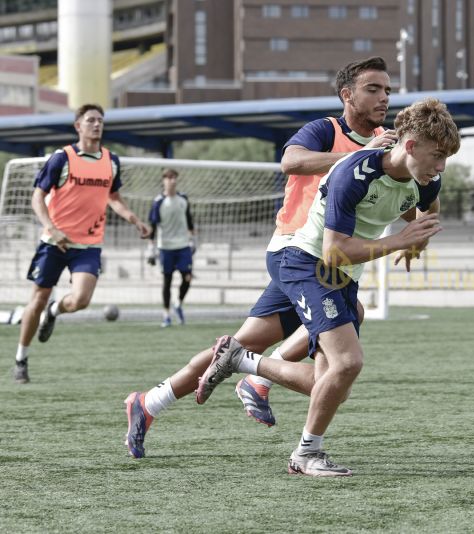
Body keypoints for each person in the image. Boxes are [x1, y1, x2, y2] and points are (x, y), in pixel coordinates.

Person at [124, 56, 398, 458]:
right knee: (343, 347)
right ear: (347, 95)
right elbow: (290, 162)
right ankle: (257, 377)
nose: (384, 97)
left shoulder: (384, 141)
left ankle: (150, 403)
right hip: (296, 250)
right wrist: (359, 156)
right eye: (373, 89)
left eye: (388, 90)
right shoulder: (327, 129)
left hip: (326, 261)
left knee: (250, 346)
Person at [196, 97, 461, 477]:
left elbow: (429, 212)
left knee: (331, 382)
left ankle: (243, 361)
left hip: (343, 276)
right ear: (410, 146)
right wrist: (399, 242)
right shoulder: (354, 172)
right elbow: (334, 251)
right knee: (348, 363)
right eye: (437, 155)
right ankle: (305, 455)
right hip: (308, 263)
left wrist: (417, 243)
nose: (440, 167)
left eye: (446, 158)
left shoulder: (427, 180)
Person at [13, 103, 151, 384]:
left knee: (81, 300)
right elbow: (37, 198)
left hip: (88, 244)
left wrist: (133, 218)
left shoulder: (111, 161)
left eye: (100, 120)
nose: (97, 124)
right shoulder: (61, 158)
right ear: (78, 126)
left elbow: (113, 197)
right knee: (37, 299)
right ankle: (21, 359)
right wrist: (52, 228)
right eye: (90, 120)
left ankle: (55, 311)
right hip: (54, 243)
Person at [146, 168, 196, 327]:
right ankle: (166, 315)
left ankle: (178, 304)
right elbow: (153, 226)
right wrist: (151, 247)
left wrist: (193, 239)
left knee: (187, 278)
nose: (171, 180)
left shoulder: (183, 199)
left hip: (183, 245)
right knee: (167, 281)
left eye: (174, 177)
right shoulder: (158, 201)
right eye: (168, 178)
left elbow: (189, 220)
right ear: (164, 181)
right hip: (165, 246)